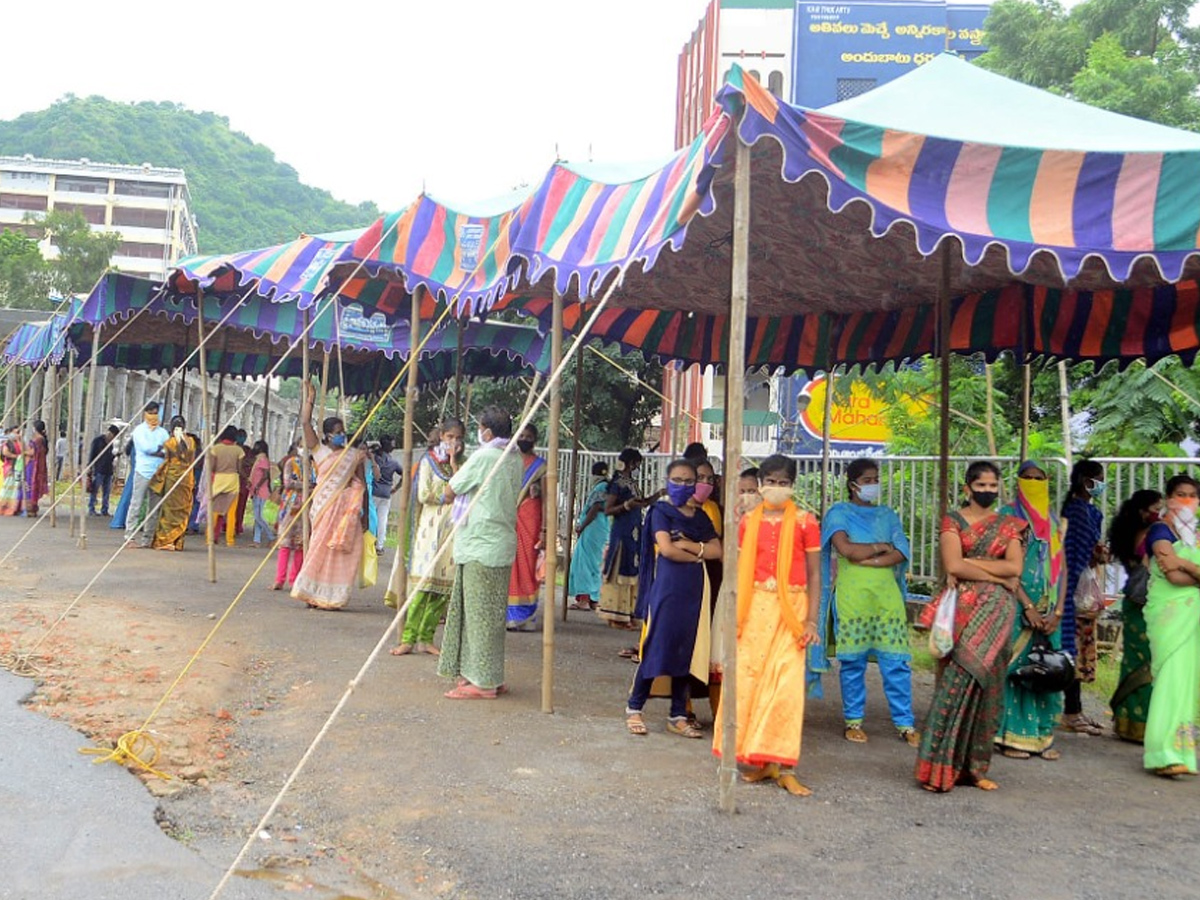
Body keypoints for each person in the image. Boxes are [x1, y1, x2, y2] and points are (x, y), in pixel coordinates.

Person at [712, 455, 821, 795]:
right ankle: (763, 762)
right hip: (755, 609)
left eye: (783, 482)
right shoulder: (747, 522)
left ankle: (786, 765)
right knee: (749, 683)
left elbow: (817, 573)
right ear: (760, 485)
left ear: (793, 485)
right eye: (770, 481)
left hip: (793, 609)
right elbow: (740, 570)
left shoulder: (806, 522)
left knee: (786, 688)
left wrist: (812, 618)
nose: (776, 488)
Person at [915, 461, 1025, 793]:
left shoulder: (1010, 524)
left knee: (989, 688)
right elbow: (953, 564)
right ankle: (939, 768)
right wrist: (995, 572)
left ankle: (976, 768)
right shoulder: (954, 519)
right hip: (962, 612)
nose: (988, 492)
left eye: (993, 486)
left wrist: (971, 565)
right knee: (956, 682)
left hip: (998, 612)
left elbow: (1016, 567)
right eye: (982, 486)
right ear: (968, 488)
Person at [816, 458, 917, 747]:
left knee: (896, 661)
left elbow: (901, 551)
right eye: (868, 479)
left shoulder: (888, 515)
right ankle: (853, 722)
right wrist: (878, 548)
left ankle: (905, 723)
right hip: (853, 597)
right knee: (853, 661)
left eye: (876, 479)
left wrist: (870, 560)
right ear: (852, 484)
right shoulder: (839, 513)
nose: (873, 484)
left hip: (887, 596)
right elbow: (846, 550)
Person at [624, 459, 721, 738]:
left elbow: (718, 551)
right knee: (657, 644)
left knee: (686, 649)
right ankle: (634, 708)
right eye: (676, 479)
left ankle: (678, 714)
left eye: (688, 480)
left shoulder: (700, 517)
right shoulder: (660, 511)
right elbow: (666, 550)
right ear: (667, 481)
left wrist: (690, 546)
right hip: (668, 585)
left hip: (695, 588)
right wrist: (699, 552)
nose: (682, 485)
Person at [437, 407, 523, 698]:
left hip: (480, 544)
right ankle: (489, 675)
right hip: (498, 543)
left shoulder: (486, 456)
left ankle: (484, 683)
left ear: (486, 432)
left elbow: (452, 490)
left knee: (478, 616)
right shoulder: (513, 456)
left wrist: (450, 480)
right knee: (490, 616)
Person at [995, 461, 1066, 761]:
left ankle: (1041, 736)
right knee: (1015, 669)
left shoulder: (1052, 522)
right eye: (1028, 478)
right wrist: (1027, 605)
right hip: (1015, 603)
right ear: (1018, 482)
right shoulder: (1007, 516)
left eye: (1040, 478)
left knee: (1046, 669)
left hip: (1049, 609)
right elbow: (1004, 568)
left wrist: (1058, 611)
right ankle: (1011, 735)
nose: (1034, 482)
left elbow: (1061, 569)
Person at [290, 383, 370, 610]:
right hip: (324, 507)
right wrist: (310, 399)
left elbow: (361, 484)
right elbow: (305, 423)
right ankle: (310, 592)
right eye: (338, 432)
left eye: (343, 431)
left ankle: (332, 597)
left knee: (342, 552)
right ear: (327, 435)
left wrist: (364, 516)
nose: (342, 435)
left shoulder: (353, 455)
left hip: (346, 512)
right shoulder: (320, 451)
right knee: (317, 548)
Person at [1143, 474, 1200, 777]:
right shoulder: (1160, 530)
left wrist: (1186, 564)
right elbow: (1172, 576)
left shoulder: (1196, 536)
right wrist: (1194, 572)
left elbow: (1179, 569)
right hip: (1169, 616)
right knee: (1169, 682)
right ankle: (1161, 753)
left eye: (1192, 495)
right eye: (1181, 494)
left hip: (1193, 620)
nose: (1187, 500)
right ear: (1168, 498)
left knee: (1187, 685)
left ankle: (1181, 754)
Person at [393, 418, 465, 654]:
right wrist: (447, 494)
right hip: (429, 530)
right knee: (422, 587)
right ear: (441, 436)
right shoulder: (428, 461)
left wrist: (454, 465)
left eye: (458, 438)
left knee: (441, 590)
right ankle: (408, 638)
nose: (454, 442)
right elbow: (424, 494)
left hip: (452, 530)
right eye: (449, 437)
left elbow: (463, 488)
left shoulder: (461, 464)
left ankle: (426, 637)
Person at [1108, 489, 1163, 744]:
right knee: (1148, 662)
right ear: (1143, 510)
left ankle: (1128, 720)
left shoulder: (1127, 531)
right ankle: (1141, 723)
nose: (1158, 513)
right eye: (1155, 508)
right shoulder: (1150, 534)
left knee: (1134, 660)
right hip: (1146, 603)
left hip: (1134, 603)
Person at [1060, 459, 1108, 735]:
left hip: (1079, 590)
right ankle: (1071, 711)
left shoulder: (1089, 512)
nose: (1100, 484)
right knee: (1073, 649)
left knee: (1078, 649)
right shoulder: (1077, 513)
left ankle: (1074, 709)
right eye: (1097, 479)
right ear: (1085, 480)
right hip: (1073, 592)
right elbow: (1076, 555)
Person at [597, 448, 661, 631]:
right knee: (619, 572)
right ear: (631, 463)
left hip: (634, 532)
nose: (637, 467)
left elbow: (641, 503)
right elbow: (608, 509)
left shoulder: (631, 483)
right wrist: (626, 505)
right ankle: (615, 614)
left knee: (632, 571)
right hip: (622, 532)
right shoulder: (617, 483)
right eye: (636, 464)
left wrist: (659, 495)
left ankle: (627, 613)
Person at [506, 424, 547, 632]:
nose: (524, 439)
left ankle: (527, 614)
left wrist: (546, 530)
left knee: (527, 565)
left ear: (535, 439)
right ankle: (510, 614)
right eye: (521, 436)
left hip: (531, 519)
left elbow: (548, 500)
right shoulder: (509, 461)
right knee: (510, 565)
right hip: (509, 518)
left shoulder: (542, 466)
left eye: (528, 436)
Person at [123, 402, 169, 547]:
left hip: (158, 473)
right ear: (145, 413)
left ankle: (148, 538)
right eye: (150, 412)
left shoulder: (162, 432)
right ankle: (129, 536)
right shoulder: (139, 431)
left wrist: (160, 451)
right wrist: (159, 450)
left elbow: (168, 450)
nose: (153, 416)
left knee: (154, 508)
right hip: (142, 471)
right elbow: (146, 448)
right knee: (136, 504)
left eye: (156, 413)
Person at [568, 461, 611, 611]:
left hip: (592, 529)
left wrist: (582, 525)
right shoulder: (607, 486)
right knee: (595, 563)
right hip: (601, 528)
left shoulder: (600, 487)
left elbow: (596, 507)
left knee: (584, 562)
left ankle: (584, 599)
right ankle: (594, 599)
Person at [150, 416, 197, 551]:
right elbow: (192, 459)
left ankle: (164, 540)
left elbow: (166, 459)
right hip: (187, 478)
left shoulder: (170, 443)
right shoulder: (191, 442)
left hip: (173, 477)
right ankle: (177, 541)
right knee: (182, 510)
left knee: (169, 510)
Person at [272, 440, 309, 591]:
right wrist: (306, 485)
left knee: (300, 543)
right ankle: (279, 579)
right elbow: (288, 483)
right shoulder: (291, 463)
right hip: (290, 506)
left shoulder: (314, 466)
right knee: (285, 542)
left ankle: (294, 580)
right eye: (301, 446)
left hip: (306, 506)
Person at [207, 427, 244, 547]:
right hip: (233, 482)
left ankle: (209, 539)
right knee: (231, 513)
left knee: (214, 512)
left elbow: (211, 467)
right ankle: (230, 540)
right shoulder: (238, 450)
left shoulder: (215, 448)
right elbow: (239, 469)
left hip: (219, 481)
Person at [371, 436, 403, 555]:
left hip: (374, 492)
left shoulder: (375, 458)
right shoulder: (394, 462)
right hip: (386, 493)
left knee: (372, 519)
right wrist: (396, 488)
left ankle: (370, 542)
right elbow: (404, 474)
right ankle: (379, 546)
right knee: (382, 520)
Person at [249, 440, 276, 548]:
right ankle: (257, 540)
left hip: (261, 491)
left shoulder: (263, 460)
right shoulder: (258, 460)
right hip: (257, 490)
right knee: (257, 517)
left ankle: (271, 537)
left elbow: (265, 475)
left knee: (258, 516)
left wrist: (257, 486)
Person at [87, 425, 119, 516]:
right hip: (99, 469)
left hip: (108, 470)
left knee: (107, 491)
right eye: (113, 435)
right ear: (109, 432)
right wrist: (89, 466)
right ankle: (91, 508)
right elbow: (92, 454)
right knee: (95, 489)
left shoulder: (111, 444)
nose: (112, 437)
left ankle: (104, 509)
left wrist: (115, 456)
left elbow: (109, 456)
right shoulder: (98, 441)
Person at [22, 420, 49, 517]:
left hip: (34, 465)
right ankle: (31, 507)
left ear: (35, 428)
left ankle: (31, 508)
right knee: (31, 486)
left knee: (31, 486)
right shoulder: (41, 439)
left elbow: (33, 452)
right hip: (35, 464)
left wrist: (24, 452)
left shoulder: (38, 439)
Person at [0, 425, 24, 516]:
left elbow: (23, 451)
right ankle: (4, 507)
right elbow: (5, 452)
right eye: (15, 432)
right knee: (8, 488)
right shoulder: (8, 443)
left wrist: (19, 440)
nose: (17, 434)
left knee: (16, 489)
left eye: (18, 433)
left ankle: (14, 508)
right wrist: (16, 456)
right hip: (10, 466)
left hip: (18, 467)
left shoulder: (19, 443)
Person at [235, 428, 253, 536]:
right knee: (236, 505)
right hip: (240, 480)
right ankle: (234, 526)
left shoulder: (247, 450)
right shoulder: (236, 449)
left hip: (241, 481)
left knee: (240, 505)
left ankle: (237, 525)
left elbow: (252, 461)